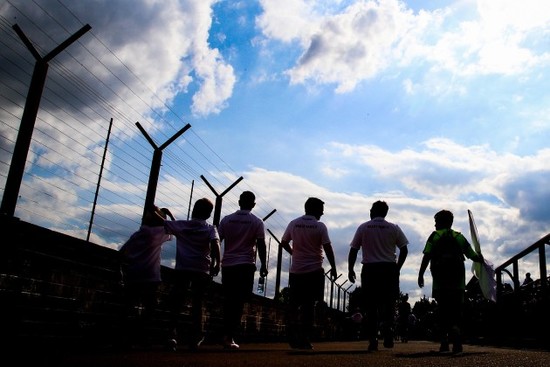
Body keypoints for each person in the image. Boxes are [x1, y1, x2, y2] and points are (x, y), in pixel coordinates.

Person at [418, 209, 483, 354]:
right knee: (456, 310)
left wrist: (421, 274)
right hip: (458, 279)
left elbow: (427, 255)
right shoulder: (458, 236)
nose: (434, 225)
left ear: (440, 222)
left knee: (442, 310)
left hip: (440, 280)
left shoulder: (434, 236)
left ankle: (444, 342)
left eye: (436, 222)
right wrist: (481, 260)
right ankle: (456, 335)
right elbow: (471, 254)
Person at [347, 200, 409, 351]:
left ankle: (373, 338)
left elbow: (354, 250)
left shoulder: (363, 227)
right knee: (389, 304)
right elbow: (404, 249)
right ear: (385, 212)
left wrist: (350, 269)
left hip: (370, 269)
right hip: (388, 269)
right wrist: (397, 268)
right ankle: (388, 331)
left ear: (372, 211)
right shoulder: (394, 227)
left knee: (371, 306)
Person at [163, 198, 221, 351]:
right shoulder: (210, 228)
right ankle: (195, 337)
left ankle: (171, 335)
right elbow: (215, 244)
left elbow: (171, 225)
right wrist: (218, 263)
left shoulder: (182, 225)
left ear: (194, 210)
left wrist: (164, 212)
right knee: (197, 303)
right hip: (201, 269)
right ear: (209, 214)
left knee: (177, 301)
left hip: (183, 268)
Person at [280, 197, 337, 350]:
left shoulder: (294, 223)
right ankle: (304, 339)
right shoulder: (320, 226)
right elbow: (327, 247)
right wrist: (334, 266)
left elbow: (283, 242)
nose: (323, 213)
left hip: (296, 270)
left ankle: (291, 332)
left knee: (294, 304)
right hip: (314, 271)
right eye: (321, 210)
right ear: (315, 209)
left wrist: (294, 253)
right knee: (308, 306)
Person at [118, 204, 175, 348]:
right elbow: (174, 228)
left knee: (127, 306)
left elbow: (122, 253)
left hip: (133, 274)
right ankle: (141, 336)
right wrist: (169, 215)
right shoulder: (157, 234)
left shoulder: (137, 234)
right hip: (150, 276)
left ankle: (122, 337)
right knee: (150, 308)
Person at [218, 191, 268, 350]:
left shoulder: (226, 219)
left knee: (228, 300)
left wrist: (214, 260)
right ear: (253, 204)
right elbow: (261, 244)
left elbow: (217, 240)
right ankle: (229, 336)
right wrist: (264, 265)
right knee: (239, 301)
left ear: (239, 202)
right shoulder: (257, 221)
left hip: (228, 265)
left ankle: (226, 333)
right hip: (246, 265)